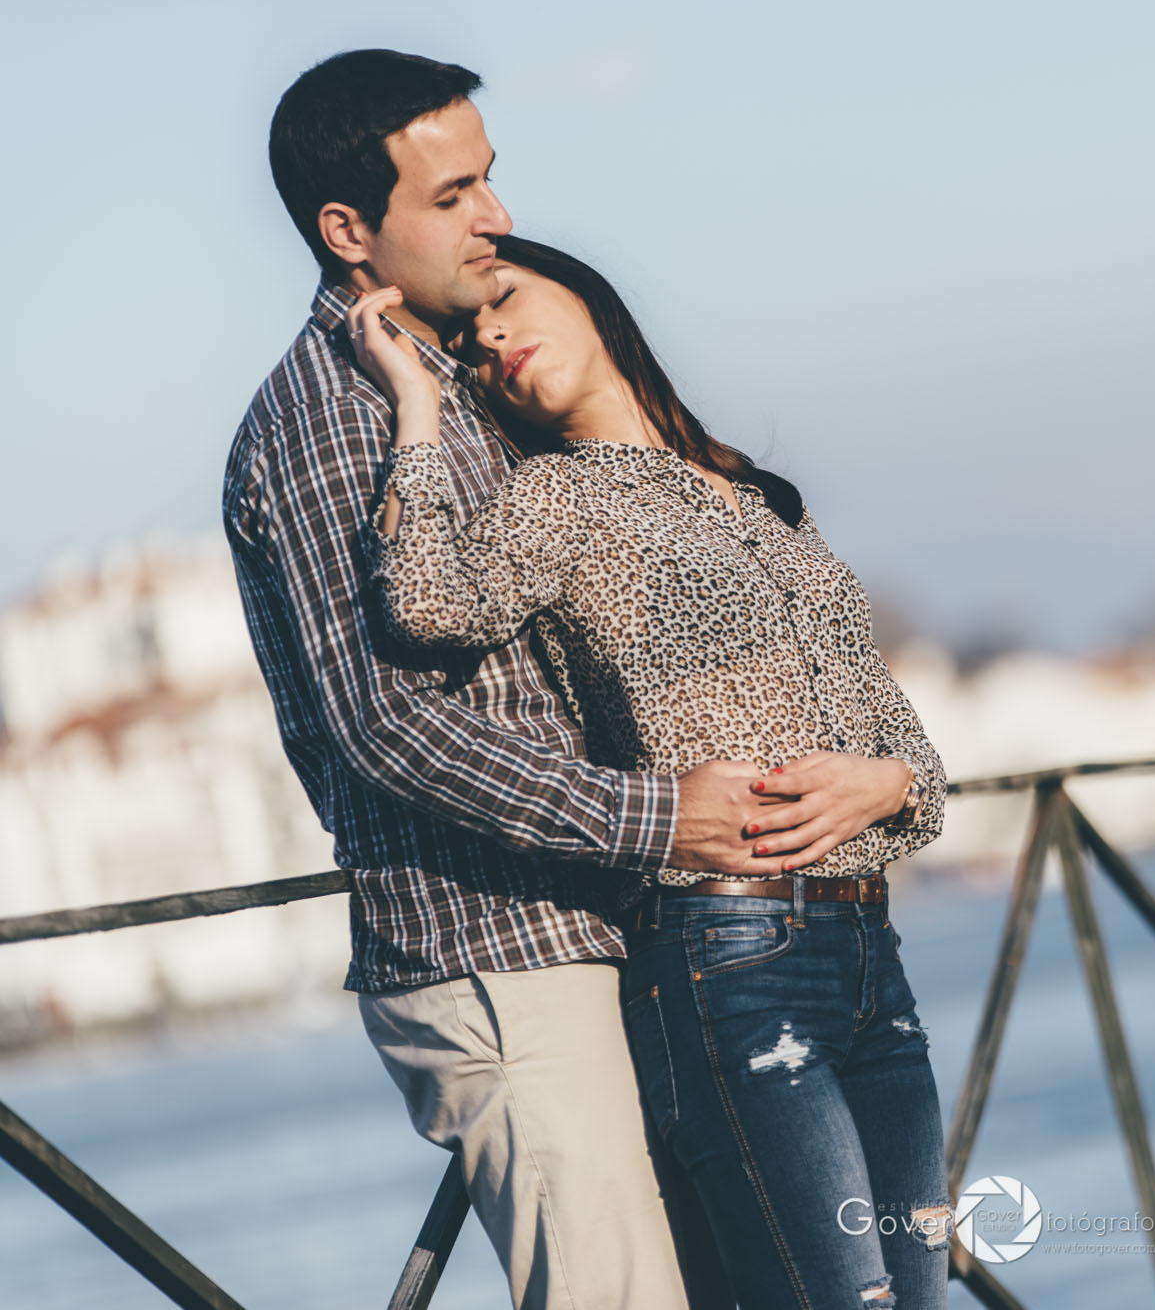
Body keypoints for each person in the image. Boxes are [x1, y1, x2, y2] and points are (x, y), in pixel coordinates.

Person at [223, 48, 755, 1309]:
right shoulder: (330, 415)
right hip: (497, 959)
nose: (497, 217)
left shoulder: (465, 377)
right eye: (453, 194)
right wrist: (664, 815)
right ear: (347, 229)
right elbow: (385, 719)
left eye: (490, 182)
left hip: (605, 929)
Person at [349, 232, 954, 1310]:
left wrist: (890, 787)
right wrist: (421, 412)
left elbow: (906, 749)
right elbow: (428, 604)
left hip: (870, 957)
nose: (489, 339)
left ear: (588, 299)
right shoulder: (555, 500)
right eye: (471, 347)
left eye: (505, 301)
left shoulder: (764, 497)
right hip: (728, 956)